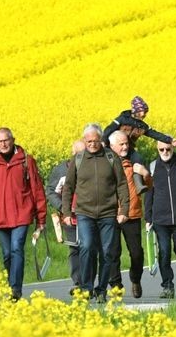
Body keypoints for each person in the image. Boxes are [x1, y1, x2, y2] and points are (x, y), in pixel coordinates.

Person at [0, 127, 48, 302]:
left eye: (6, 140)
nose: (3, 144)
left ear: (13, 140)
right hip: (1, 218)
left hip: (22, 215)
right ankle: (11, 284)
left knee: (16, 249)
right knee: (7, 254)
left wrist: (41, 219)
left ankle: (16, 288)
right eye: (0, 141)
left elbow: (37, 190)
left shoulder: (26, 161)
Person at [61, 123, 130, 303]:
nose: (92, 144)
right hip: (85, 212)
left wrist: (124, 209)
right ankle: (86, 288)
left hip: (108, 212)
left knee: (107, 252)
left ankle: (101, 289)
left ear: (101, 140)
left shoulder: (111, 157)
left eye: (96, 141)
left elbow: (122, 184)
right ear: (84, 140)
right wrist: (67, 211)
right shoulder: (78, 159)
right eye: (89, 141)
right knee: (86, 247)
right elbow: (68, 187)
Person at [105, 130, 151, 298]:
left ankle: (136, 279)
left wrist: (145, 174)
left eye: (126, 143)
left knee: (137, 253)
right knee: (112, 252)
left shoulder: (135, 162)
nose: (125, 147)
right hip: (110, 214)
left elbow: (149, 187)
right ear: (112, 146)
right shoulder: (105, 164)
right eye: (121, 144)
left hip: (132, 213)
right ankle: (116, 285)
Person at [144, 140, 176, 298]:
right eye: (161, 149)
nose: (165, 152)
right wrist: (148, 217)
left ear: (173, 148)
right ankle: (167, 286)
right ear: (157, 150)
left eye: (168, 149)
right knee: (164, 252)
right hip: (160, 220)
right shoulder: (152, 167)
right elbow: (149, 193)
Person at [45, 140, 86, 293]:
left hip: (91, 215)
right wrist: (63, 207)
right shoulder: (61, 171)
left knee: (89, 248)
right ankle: (78, 283)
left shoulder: (94, 167)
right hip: (70, 217)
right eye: (78, 154)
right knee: (75, 249)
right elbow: (51, 191)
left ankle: (88, 281)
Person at [102, 96, 176, 157]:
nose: (144, 115)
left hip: (130, 150)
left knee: (138, 163)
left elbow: (155, 134)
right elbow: (109, 129)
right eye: (142, 112)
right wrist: (103, 142)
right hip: (114, 149)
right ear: (136, 111)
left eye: (145, 112)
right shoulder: (122, 119)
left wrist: (170, 140)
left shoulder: (142, 126)